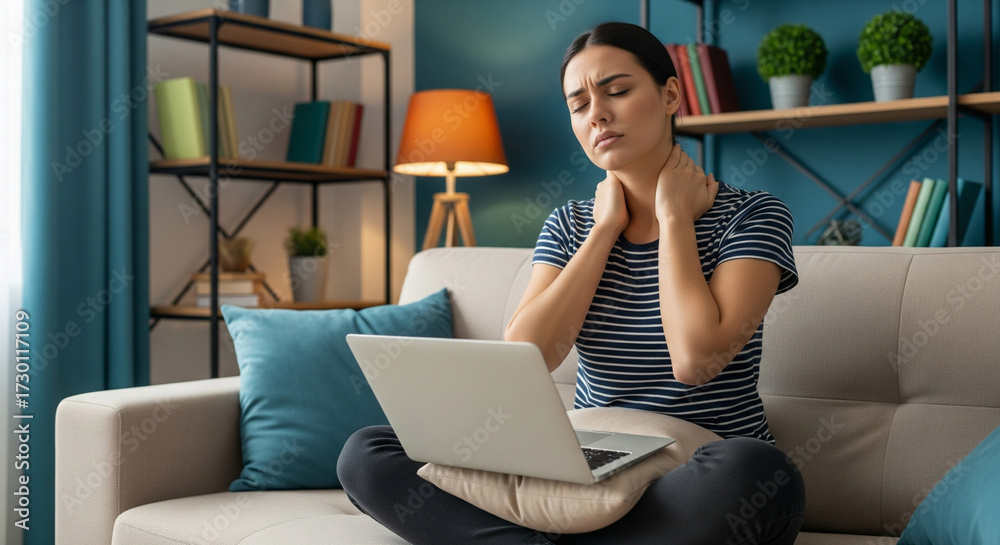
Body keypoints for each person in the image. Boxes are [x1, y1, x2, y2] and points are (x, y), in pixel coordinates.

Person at [339, 21, 805, 545]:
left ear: (670, 93)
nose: (598, 113)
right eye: (578, 104)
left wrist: (674, 218)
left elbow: (697, 361)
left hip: (690, 475)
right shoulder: (570, 224)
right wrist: (603, 230)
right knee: (369, 453)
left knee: (758, 472)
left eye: (618, 91)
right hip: (585, 465)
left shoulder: (754, 215)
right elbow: (528, 356)